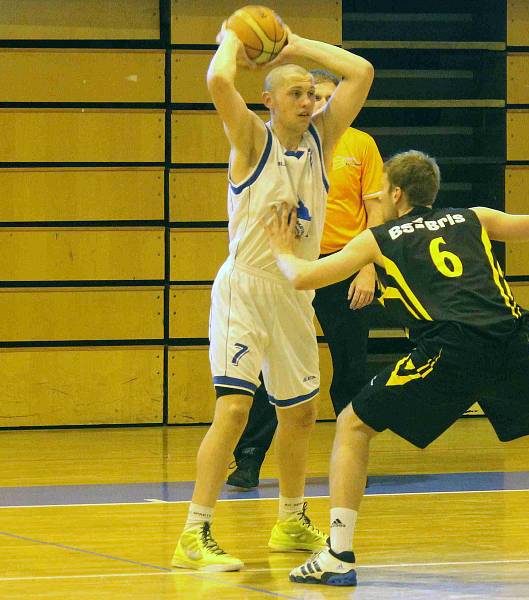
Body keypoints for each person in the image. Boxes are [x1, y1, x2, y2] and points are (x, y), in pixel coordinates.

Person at [263, 150, 529, 586]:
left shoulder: (378, 237)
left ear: (397, 193)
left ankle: (339, 554)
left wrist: (282, 248)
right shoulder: (475, 216)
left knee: (353, 424)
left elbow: (303, 277)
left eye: (383, 189)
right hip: (511, 342)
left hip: (450, 347)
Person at [170, 20, 373, 572]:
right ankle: (195, 531)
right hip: (246, 289)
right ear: (269, 100)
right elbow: (217, 80)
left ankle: (290, 518)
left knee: (302, 413)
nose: (308, 101)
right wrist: (234, 36)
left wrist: (294, 46)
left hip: (293, 291)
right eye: (297, 93)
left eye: (312, 93)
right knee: (234, 409)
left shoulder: (323, 140)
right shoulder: (252, 139)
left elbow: (362, 71)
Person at [227, 70, 384, 490]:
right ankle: (249, 457)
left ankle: (352, 460)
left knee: (350, 370)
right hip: (286, 270)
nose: (317, 104)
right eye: (311, 96)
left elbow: (376, 208)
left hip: (344, 266)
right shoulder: (291, 140)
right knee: (265, 372)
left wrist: (368, 265)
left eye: (323, 96)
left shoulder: (357, 143)